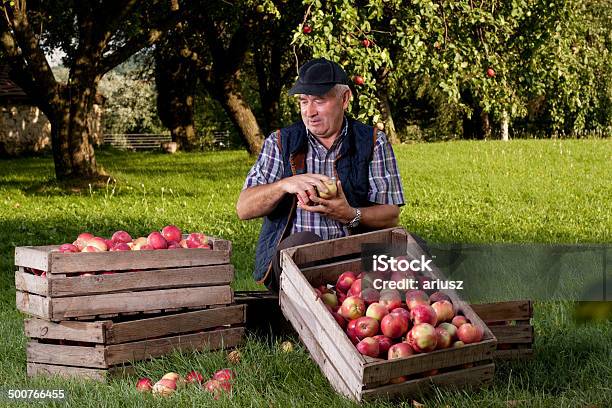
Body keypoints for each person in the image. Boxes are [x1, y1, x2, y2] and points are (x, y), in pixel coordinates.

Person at [236, 58, 405, 292]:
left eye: (319, 100)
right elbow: (244, 208)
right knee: (304, 245)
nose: (310, 111)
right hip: (296, 265)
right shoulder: (280, 143)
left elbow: (391, 215)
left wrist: (350, 214)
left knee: (413, 249)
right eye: (304, 101)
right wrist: (284, 185)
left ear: (344, 99)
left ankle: (357, 298)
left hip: (353, 258)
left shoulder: (373, 142)